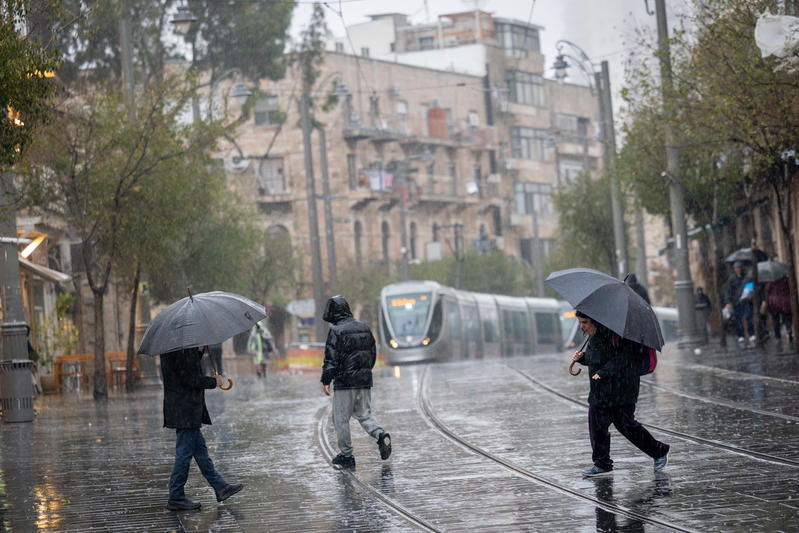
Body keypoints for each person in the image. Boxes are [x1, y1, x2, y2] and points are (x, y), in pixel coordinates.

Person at [570, 310, 670, 477]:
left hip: (621, 389)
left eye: (585, 322)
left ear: (595, 321)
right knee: (597, 427)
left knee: (627, 426)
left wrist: (604, 372)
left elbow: (623, 358)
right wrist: (583, 358)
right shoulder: (595, 336)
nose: (582, 327)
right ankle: (602, 464)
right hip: (601, 391)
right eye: (580, 323)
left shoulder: (616, 335)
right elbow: (598, 357)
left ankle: (659, 451)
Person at [160, 346, 242, 511]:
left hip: (182, 407)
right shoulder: (182, 349)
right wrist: (213, 382)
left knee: (200, 450)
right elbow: (190, 379)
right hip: (186, 409)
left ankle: (220, 487)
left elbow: (183, 370)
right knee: (183, 454)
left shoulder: (174, 348)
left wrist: (198, 352)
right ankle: (176, 496)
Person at [321, 295, 391, 470]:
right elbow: (372, 353)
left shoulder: (336, 330)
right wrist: (365, 372)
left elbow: (331, 358)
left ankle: (347, 455)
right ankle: (381, 435)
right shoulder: (364, 327)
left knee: (340, 419)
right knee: (365, 414)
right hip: (364, 380)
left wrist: (326, 380)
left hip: (345, 382)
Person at [725, 261, 755, 347]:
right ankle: (740, 335)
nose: (738, 269)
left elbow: (750, 287)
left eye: (739, 267)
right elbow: (728, 291)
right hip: (736, 301)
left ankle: (751, 334)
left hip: (745, 300)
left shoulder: (746, 277)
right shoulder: (732, 279)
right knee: (738, 319)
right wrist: (728, 302)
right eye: (736, 268)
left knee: (748, 316)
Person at [765, 276, 793, 350]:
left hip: (774, 303)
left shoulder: (771, 281)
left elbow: (767, 290)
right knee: (787, 317)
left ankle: (778, 337)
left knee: (776, 320)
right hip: (785, 302)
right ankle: (789, 330)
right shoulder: (786, 280)